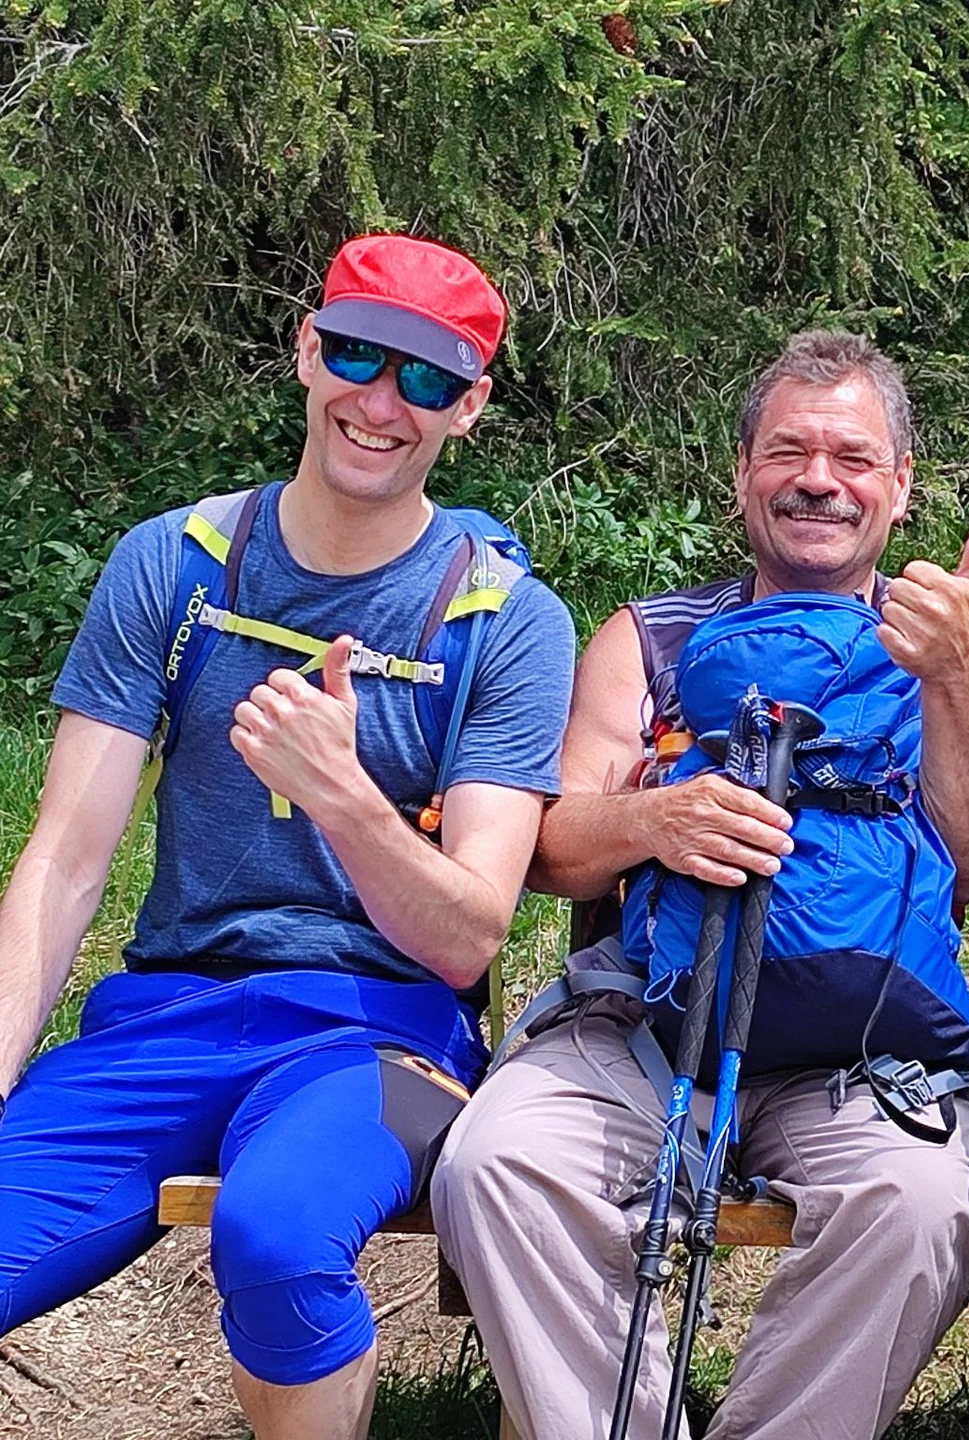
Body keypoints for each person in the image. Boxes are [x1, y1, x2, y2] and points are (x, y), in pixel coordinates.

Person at [0, 233, 575, 1438]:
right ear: (307, 351)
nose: (381, 402)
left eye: (426, 379)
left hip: (380, 1035)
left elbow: (468, 937)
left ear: (467, 409)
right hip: (164, 1017)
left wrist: (345, 796)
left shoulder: (505, 618)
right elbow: (63, 858)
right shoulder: (181, 562)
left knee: (275, 1235)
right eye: (360, 356)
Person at [432, 329, 969, 1440]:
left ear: (901, 487)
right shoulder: (650, 637)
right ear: (742, 470)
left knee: (923, 1205)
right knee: (495, 1162)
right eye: (789, 451)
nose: (818, 480)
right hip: (643, 1021)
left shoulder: (962, 649)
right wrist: (657, 819)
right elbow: (550, 844)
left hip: (863, 1041)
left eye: (853, 457)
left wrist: (947, 671)